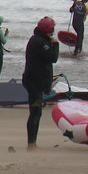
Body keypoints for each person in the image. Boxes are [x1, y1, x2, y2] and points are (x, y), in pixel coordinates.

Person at [22, 16, 59, 150]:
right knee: (35, 112)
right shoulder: (39, 42)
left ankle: (32, 143)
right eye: (52, 28)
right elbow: (53, 58)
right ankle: (31, 144)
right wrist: (55, 44)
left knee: (36, 112)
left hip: (34, 80)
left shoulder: (38, 39)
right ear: (48, 30)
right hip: (34, 82)